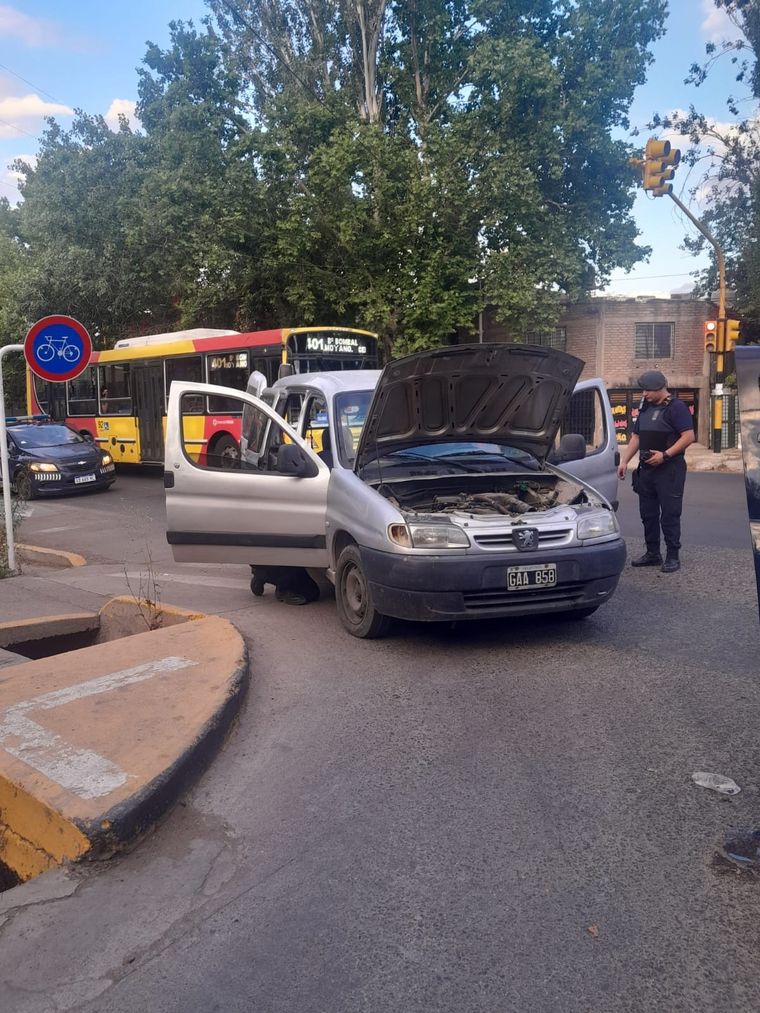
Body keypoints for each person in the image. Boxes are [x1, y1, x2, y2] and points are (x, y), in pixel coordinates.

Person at [617, 369, 696, 572]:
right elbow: (636, 437)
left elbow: (688, 437)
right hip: (647, 470)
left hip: (670, 469)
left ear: (660, 388)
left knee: (670, 514)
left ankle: (672, 556)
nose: (644, 394)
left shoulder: (676, 408)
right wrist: (624, 461)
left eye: (647, 390)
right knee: (648, 514)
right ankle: (653, 554)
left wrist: (665, 455)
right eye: (643, 391)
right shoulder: (644, 407)